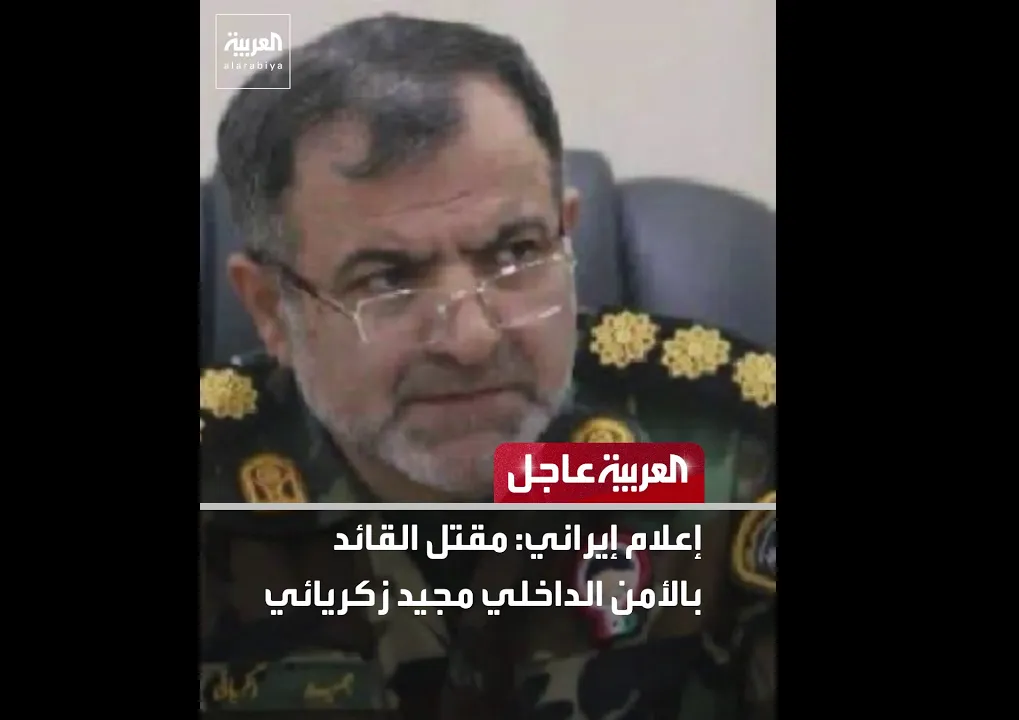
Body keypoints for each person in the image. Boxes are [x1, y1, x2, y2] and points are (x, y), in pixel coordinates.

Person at [198, 14, 776, 720]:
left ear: (566, 237)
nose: (471, 340)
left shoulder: (732, 450)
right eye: (387, 279)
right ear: (269, 309)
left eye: (516, 252)